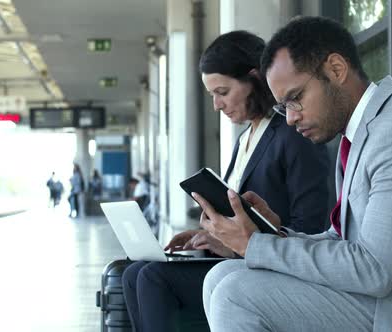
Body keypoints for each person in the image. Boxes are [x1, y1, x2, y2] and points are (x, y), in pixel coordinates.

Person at [196, 17, 392, 332]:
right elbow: (343, 242)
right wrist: (274, 234)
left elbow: (373, 269)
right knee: (221, 278)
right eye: (282, 107)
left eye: (295, 98)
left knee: (236, 294)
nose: (289, 118)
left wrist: (255, 246)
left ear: (336, 69)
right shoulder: (362, 134)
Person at [122, 30, 331, 332]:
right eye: (212, 95)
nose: (217, 105)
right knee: (133, 273)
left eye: (222, 92)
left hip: (271, 269)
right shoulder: (245, 139)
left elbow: (311, 228)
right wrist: (208, 235)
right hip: (237, 260)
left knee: (153, 277)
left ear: (255, 79)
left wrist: (234, 246)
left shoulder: (294, 135)